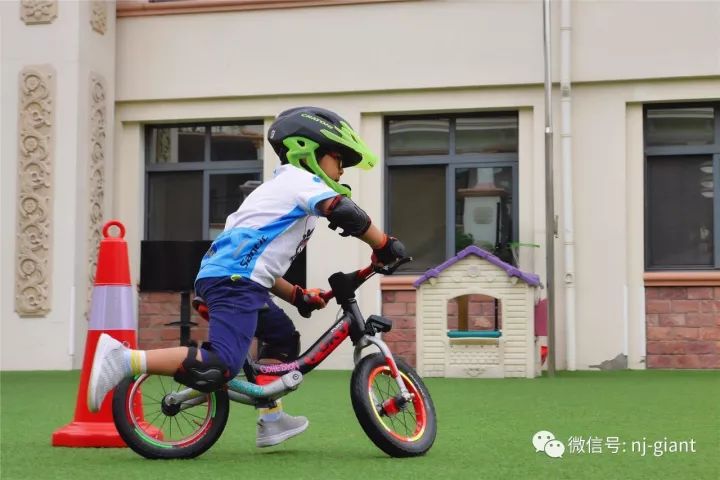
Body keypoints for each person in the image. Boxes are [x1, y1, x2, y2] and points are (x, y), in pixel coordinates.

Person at [87, 106, 407, 448]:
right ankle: (123, 359)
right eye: (338, 157)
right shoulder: (301, 182)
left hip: (236, 279)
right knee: (222, 364)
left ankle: (271, 419)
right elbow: (343, 211)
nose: (342, 168)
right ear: (308, 150)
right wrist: (385, 245)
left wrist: (297, 295)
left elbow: (260, 265)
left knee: (282, 337)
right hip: (233, 282)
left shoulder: (280, 194)